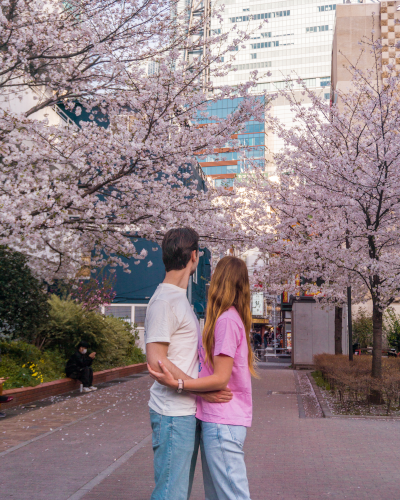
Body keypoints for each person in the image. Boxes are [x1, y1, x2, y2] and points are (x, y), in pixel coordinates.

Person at [149, 255, 256, 500]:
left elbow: (220, 378)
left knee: (232, 496)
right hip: (220, 419)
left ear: (220, 281)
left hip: (222, 420)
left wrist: (178, 383)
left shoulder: (226, 320)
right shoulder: (229, 318)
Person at [145, 228, 233, 500]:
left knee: (176, 492)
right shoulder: (164, 301)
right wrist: (200, 390)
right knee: (171, 494)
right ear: (194, 256)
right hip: (172, 414)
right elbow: (157, 361)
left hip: (184, 412)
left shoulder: (177, 299)